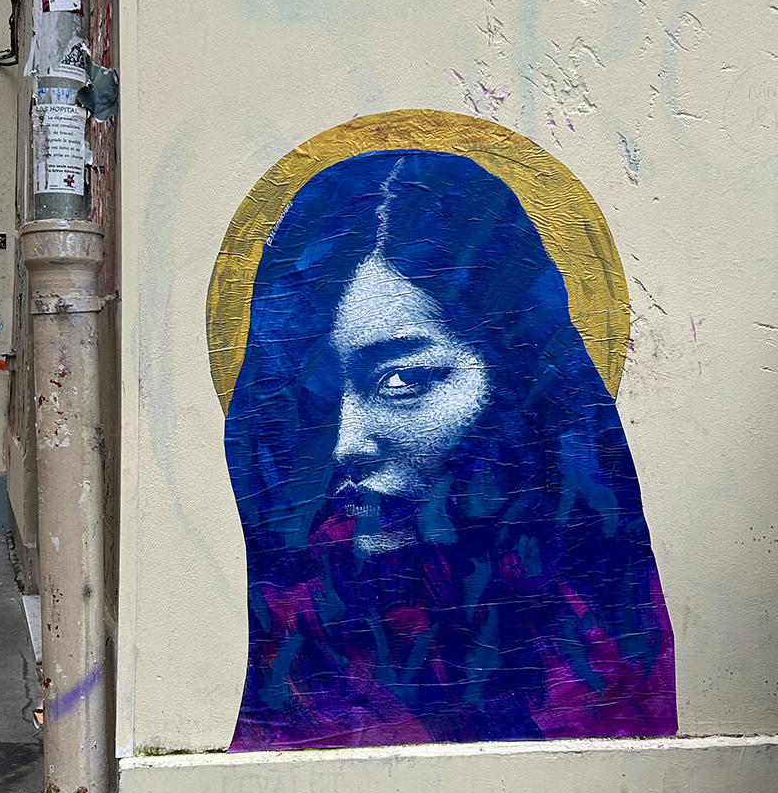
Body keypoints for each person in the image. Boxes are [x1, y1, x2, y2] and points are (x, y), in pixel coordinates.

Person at [224, 149, 676, 751]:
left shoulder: (609, 635)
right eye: (317, 401)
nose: (348, 444)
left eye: (401, 382)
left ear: (517, 380)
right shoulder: (297, 638)